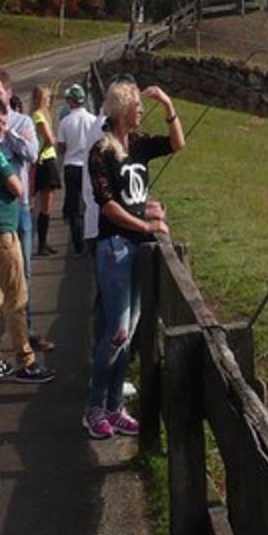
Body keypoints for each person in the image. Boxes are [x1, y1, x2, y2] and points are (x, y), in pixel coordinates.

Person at [83, 79, 183, 439]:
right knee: (117, 331)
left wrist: (169, 105)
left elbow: (176, 143)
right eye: (137, 106)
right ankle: (94, 407)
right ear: (123, 109)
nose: (142, 111)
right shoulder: (101, 152)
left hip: (139, 248)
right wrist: (145, 223)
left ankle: (113, 406)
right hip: (115, 248)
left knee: (128, 334)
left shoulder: (137, 145)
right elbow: (107, 205)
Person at [0, 99, 56, 385]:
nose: (1, 128)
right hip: (2, 231)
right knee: (17, 297)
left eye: (4, 123)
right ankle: (25, 361)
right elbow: (17, 187)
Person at [0, 68, 51, 358]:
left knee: (24, 274)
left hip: (18, 210)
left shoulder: (21, 123)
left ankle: (25, 332)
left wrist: (11, 135)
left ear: (9, 93)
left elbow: (33, 154)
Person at [55, 84, 99, 257]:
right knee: (90, 203)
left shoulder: (65, 122)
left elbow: (62, 147)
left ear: (71, 101)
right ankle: (92, 240)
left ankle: (78, 246)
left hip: (71, 166)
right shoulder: (92, 119)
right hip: (87, 166)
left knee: (73, 208)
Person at [28, 86, 62, 257]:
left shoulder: (38, 115)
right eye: (47, 98)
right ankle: (41, 243)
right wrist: (52, 141)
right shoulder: (39, 116)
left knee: (44, 205)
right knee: (44, 206)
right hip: (46, 161)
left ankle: (43, 242)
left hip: (45, 160)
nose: (49, 101)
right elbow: (50, 139)